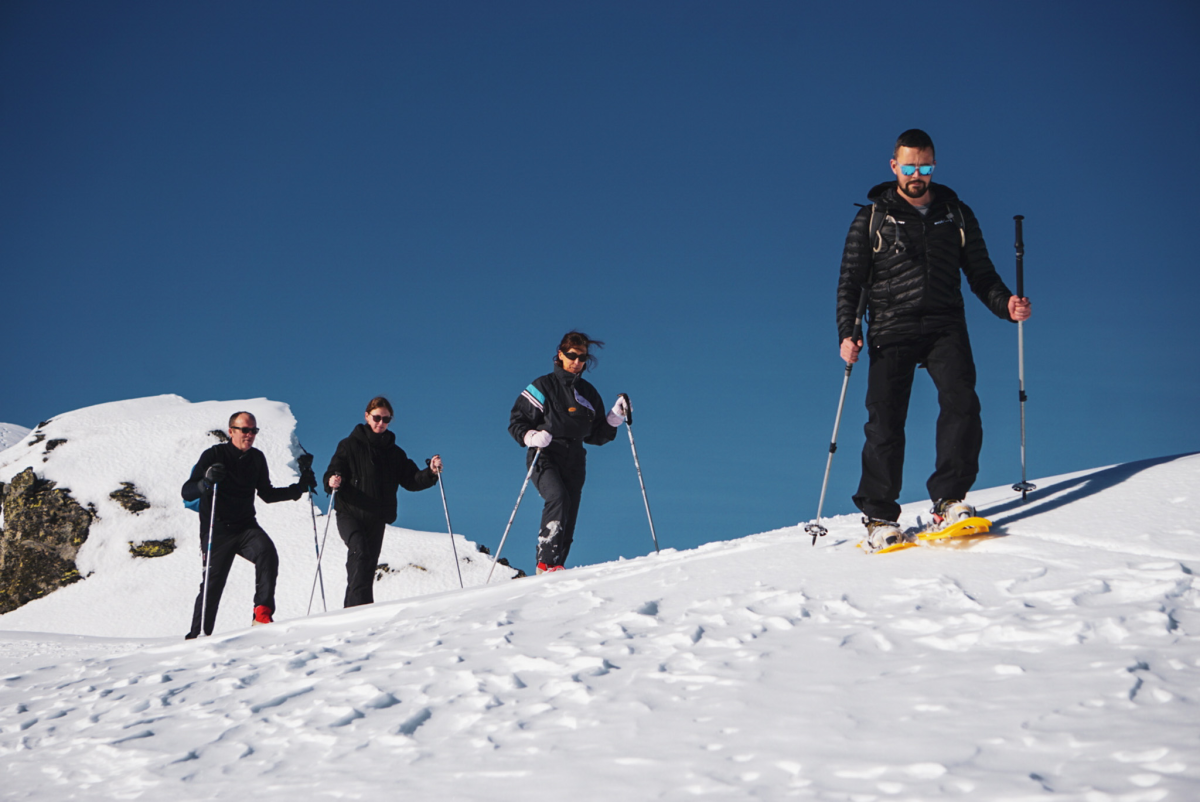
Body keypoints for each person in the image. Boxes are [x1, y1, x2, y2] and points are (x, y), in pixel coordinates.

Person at [836, 129, 1032, 552]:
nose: (916, 175)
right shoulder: (872, 217)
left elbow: (981, 273)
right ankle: (880, 517)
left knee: (962, 403)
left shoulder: (955, 213)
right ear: (894, 166)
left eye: (924, 167)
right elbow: (850, 281)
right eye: (909, 167)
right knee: (885, 421)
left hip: (945, 325)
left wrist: (1006, 304)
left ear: (934, 166)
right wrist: (847, 333)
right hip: (891, 327)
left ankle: (949, 500)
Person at [181, 411, 315, 638]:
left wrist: (299, 489)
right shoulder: (214, 454)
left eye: (254, 430)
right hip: (217, 528)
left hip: (245, 526)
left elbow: (267, 494)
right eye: (245, 430)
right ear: (231, 431)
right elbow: (187, 491)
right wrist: (206, 482)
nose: (250, 435)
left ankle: (262, 615)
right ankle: (198, 636)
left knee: (267, 554)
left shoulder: (257, 458)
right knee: (213, 583)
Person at [508, 331, 626, 574]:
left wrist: (614, 418)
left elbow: (595, 436)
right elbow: (517, 421)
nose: (576, 362)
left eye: (582, 358)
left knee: (570, 509)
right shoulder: (542, 386)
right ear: (560, 354)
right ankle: (545, 562)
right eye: (572, 356)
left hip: (575, 458)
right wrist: (531, 436)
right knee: (558, 498)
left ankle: (557, 565)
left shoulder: (588, 393)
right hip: (545, 454)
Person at [323, 397, 442, 607]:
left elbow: (411, 480)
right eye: (377, 417)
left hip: (376, 517)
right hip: (350, 512)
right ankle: (360, 611)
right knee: (360, 552)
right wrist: (332, 480)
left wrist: (431, 472)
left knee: (367, 564)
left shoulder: (394, 453)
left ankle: (353, 611)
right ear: (367, 416)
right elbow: (334, 469)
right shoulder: (349, 445)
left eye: (386, 419)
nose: (381, 423)